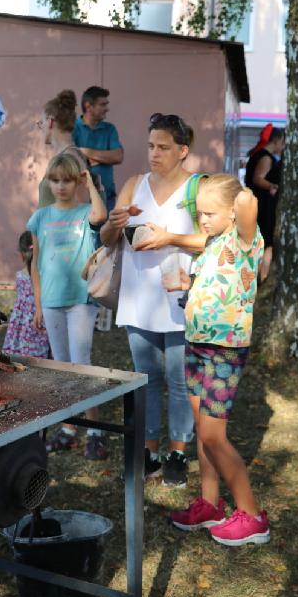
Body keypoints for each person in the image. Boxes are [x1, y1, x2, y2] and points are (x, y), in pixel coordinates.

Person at [100, 113, 207, 487]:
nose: (154, 153)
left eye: (163, 147)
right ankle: (149, 452)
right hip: (138, 298)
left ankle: (178, 452)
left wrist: (171, 239)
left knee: (179, 380)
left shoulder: (198, 188)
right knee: (146, 379)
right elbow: (107, 239)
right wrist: (113, 223)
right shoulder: (134, 183)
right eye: (150, 146)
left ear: (182, 150)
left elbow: (212, 240)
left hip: (179, 299)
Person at [168, 174, 270, 547]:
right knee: (202, 431)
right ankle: (210, 504)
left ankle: (253, 516)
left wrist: (234, 192)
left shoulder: (245, 239)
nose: (203, 219)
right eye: (200, 212)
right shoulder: (213, 243)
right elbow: (220, 283)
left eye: (210, 212)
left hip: (224, 350)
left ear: (231, 211)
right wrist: (186, 284)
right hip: (197, 344)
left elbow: (249, 205)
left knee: (214, 436)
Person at [29, 153, 108, 459]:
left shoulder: (85, 211)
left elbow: (101, 217)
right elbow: (35, 263)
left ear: (77, 181)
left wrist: (90, 185)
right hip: (51, 300)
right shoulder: (41, 217)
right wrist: (37, 304)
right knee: (61, 368)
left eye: (67, 180)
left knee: (81, 363)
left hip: (80, 300)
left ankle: (96, 431)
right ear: (49, 181)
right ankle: (68, 428)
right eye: (56, 180)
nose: (61, 186)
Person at [244, 124, 285, 282]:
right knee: (267, 242)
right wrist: (273, 186)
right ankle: (262, 277)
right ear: (277, 140)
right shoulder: (266, 157)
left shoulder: (259, 154)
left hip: (259, 204)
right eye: (283, 142)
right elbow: (258, 178)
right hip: (263, 206)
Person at [72, 85, 123, 212]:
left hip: (107, 197)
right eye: (102, 104)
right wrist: (105, 157)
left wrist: (84, 151)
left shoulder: (109, 129)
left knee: (105, 232)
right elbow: (71, 160)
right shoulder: (73, 128)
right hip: (80, 199)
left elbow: (118, 156)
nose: (107, 109)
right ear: (89, 106)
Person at [38, 89, 90, 207]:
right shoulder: (67, 155)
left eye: (41, 122)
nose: (41, 128)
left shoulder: (70, 157)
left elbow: (81, 206)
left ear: (50, 122)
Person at [2, 231, 50, 358]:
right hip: (39, 316)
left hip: (21, 320)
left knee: (19, 354)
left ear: (22, 255)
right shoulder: (46, 276)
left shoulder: (20, 276)